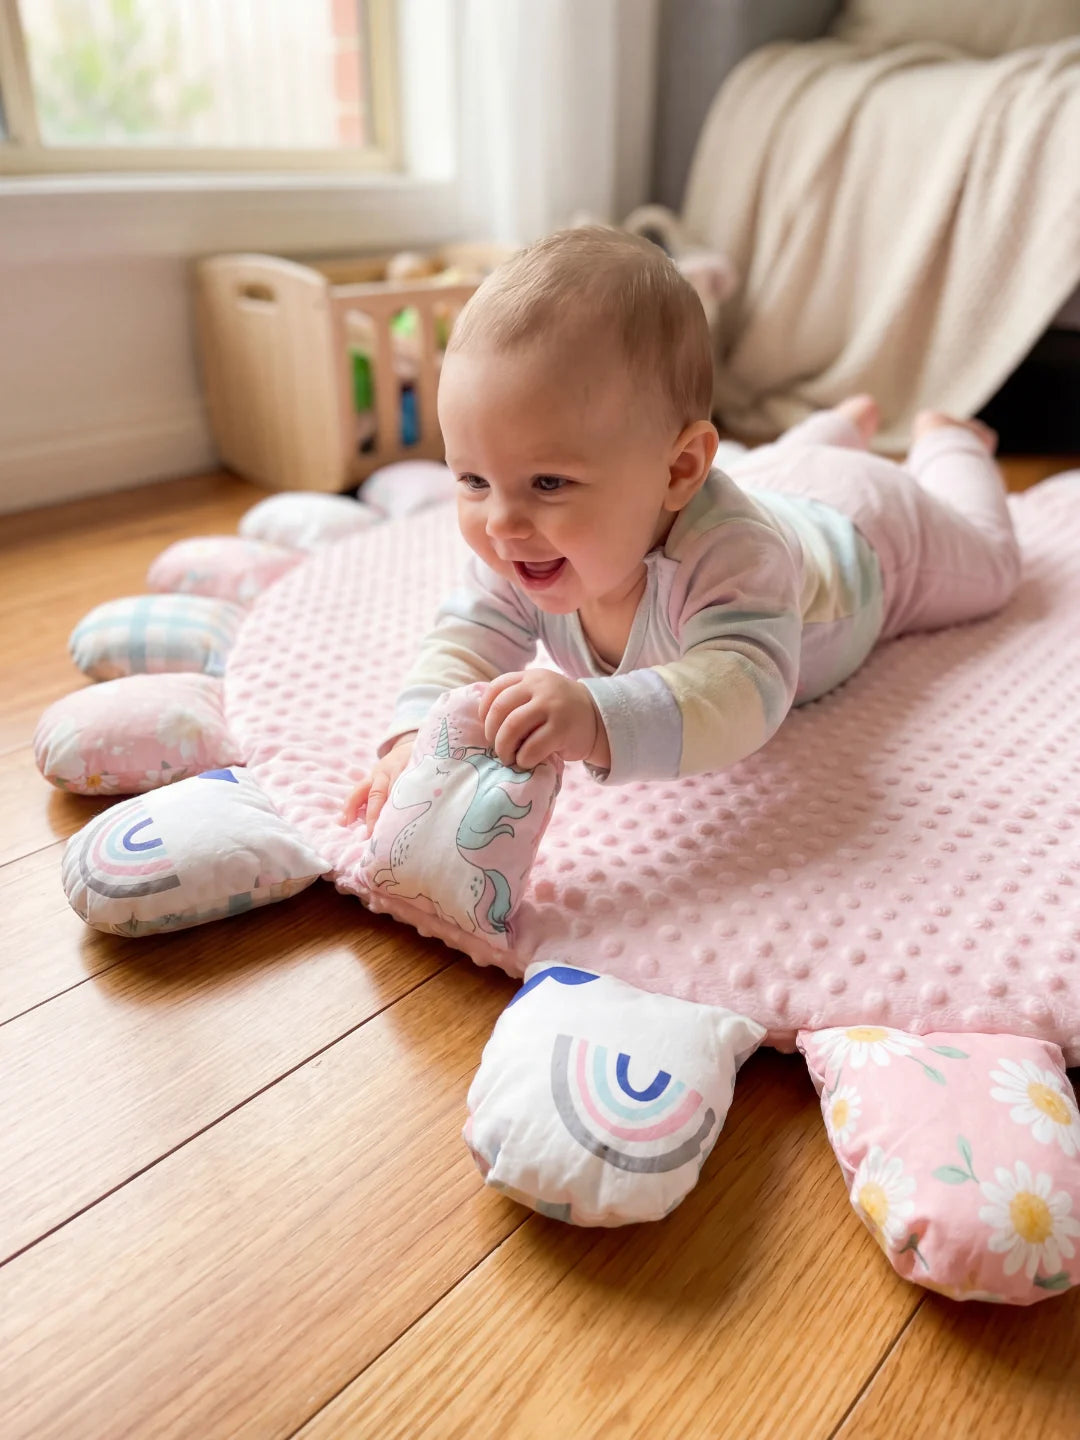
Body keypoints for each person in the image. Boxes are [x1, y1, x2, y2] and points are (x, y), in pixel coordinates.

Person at [343, 226, 1020, 834]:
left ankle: (945, 440)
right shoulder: (520, 540)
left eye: (548, 483)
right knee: (785, 465)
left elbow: (744, 689)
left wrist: (598, 716)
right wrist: (414, 736)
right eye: (473, 481)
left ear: (680, 469)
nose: (502, 524)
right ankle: (839, 425)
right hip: (777, 477)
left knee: (994, 569)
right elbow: (464, 639)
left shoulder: (732, 558)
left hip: (866, 531)